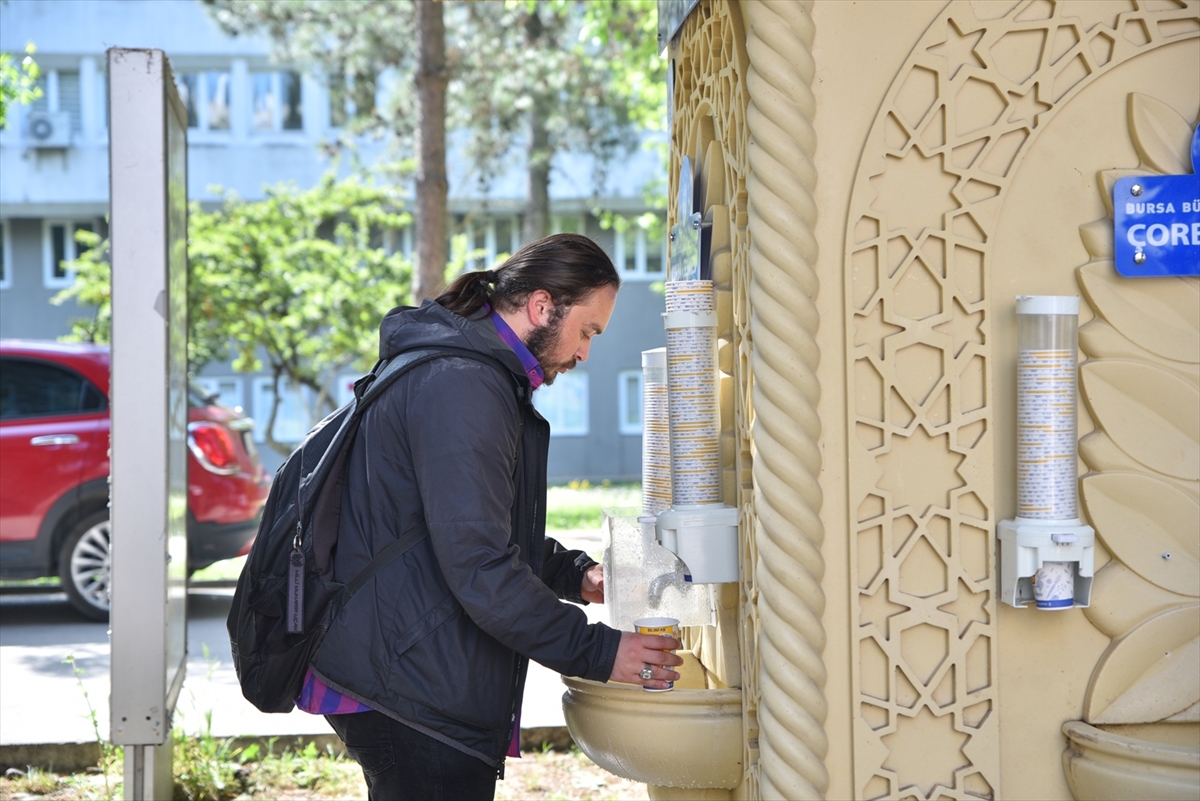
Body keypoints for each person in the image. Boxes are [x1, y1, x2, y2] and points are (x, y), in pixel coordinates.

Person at [303, 234, 684, 800]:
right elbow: (479, 563)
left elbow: (467, 524)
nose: (585, 354)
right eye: (587, 331)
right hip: (410, 683)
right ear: (540, 306)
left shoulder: (469, 373)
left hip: (411, 664)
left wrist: (573, 573)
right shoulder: (463, 384)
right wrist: (601, 652)